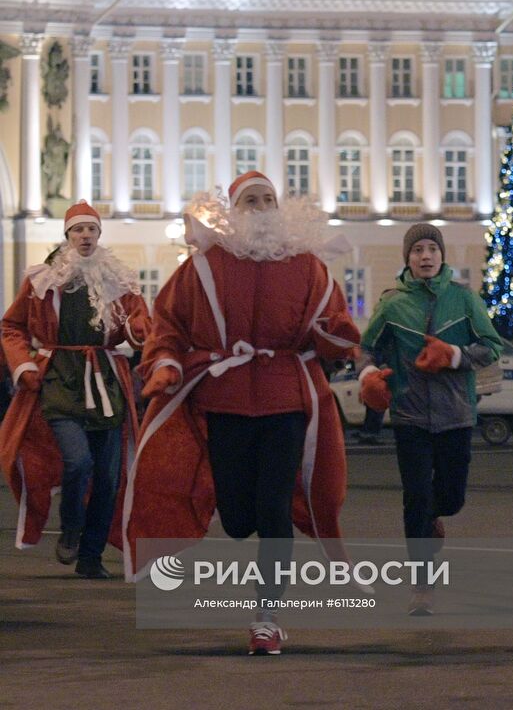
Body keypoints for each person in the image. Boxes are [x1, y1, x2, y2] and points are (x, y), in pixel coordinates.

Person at [124, 171, 361, 655]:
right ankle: (240, 528)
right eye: (250, 200)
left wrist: (339, 338)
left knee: (273, 506)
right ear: (234, 211)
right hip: (224, 400)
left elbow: (331, 324)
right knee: (236, 516)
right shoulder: (204, 266)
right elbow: (168, 325)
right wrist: (165, 365)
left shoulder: (308, 267)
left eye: (268, 199)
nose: (261, 207)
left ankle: (266, 617)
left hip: (286, 402)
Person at [357, 223, 503, 616]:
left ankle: (437, 515)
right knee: (416, 496)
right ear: (407, 258)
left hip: (456, 415)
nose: (425, 256)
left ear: (442, 256)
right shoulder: (392, 303)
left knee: (451, 498)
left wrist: (454, 356)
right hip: (409, 415)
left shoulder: (464, 299)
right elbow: (366, 348)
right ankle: (422, 586)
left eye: (431, 249)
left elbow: (491, 347)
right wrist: (368, 376)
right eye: (417, 249)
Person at [0, 200, 150, 578]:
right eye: (78, 230)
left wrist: (138, 331)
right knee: (78, 461)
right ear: (67, 236)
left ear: (99, 235)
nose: (85, 236)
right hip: (60, 379)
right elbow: (11, 327)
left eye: (91, 230)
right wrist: (24, 364)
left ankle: (91, 556)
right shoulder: (42, 280)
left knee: (108, 477)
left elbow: (141, 322)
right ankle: (70, 526)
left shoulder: (120, 280)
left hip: (107, 381)